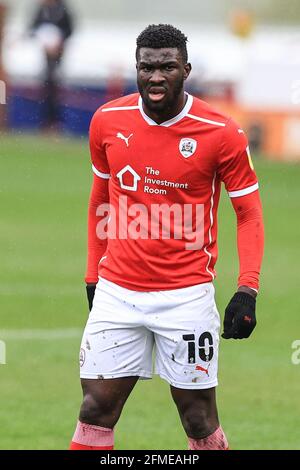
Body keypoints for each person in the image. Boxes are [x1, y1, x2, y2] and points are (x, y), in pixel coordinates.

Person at [70, 24, 264, 451]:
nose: (156, 77)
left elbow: (248, 212)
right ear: (136, 69)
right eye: (147, 67)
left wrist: (247, 288)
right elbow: (99, 199)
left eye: (167, 67)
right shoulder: (107, 121)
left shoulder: (221, 132)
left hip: (186, 297)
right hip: (117, 293)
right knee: (94, 410)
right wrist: (92, 276)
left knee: (198, 419)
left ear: (186, 70)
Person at [30, 0, 73, 127]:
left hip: (58, 56)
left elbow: (69, 29)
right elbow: (33, 27)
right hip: (45, 56)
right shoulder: (41, 10)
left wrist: (59, 41)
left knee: (54, 86)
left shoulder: (62, 9)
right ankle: (45, 121)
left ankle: (55, 122)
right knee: (46, 86)